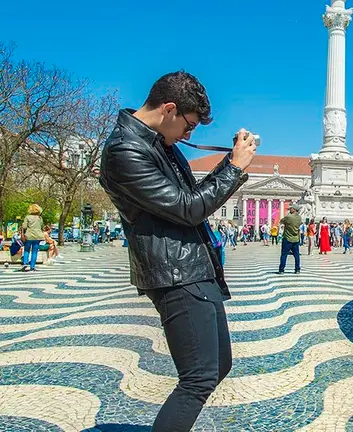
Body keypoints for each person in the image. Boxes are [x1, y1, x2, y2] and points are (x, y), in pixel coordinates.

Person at [98, 71, 257, 431]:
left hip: (194, 266)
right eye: (189, 126)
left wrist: (228, 164)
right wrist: (233, 168)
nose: (190, 135)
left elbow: (188, 199)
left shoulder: (157, 143)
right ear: (169, 109)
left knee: (218, 365)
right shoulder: (125, 151)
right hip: (174, 274)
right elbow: (188, 209)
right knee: (198, 378)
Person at [20, 204, 45, 272]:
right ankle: (32, 266)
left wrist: (23, 226)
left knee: (27, 250)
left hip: (29, 235)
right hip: (37, 236)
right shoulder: (40, 218)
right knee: (35, 251)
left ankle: (25, 262)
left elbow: (24, 227)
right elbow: (42, 226)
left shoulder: (27, 217)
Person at [278, 204, 302, 274]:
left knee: (284, 254)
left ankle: (281, 269)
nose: (290, 209)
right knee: (296, 255)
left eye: (291, 208)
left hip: (288, 238)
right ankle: (297, 269)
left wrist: (287, 214)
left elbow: (281, 221)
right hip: (296, 239)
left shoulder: (288, 217)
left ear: (294, 209)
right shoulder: (299, 218)